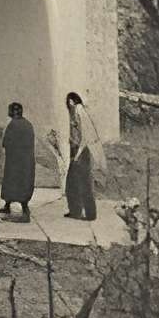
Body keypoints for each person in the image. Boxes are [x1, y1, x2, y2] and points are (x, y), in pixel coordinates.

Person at [63, 90, 104, 222]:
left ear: (73, 102)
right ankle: (75, 211)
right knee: (72, 183)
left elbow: (85, 137)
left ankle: (90, 214)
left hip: (82, 153)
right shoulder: (76, 113)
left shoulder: (80, 112)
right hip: (77, 152)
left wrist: (77, 155)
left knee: (84, 184)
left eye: (70, 104)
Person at [0, 101, 36, 222]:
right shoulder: (28, 124)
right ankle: (10, 206)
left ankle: (23, 212)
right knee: (23, 183)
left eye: (10, 110)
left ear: (13, 112)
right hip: (26, 162)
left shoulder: (13, 124)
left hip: (15, 161)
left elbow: (6, 142)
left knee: (12, 182)